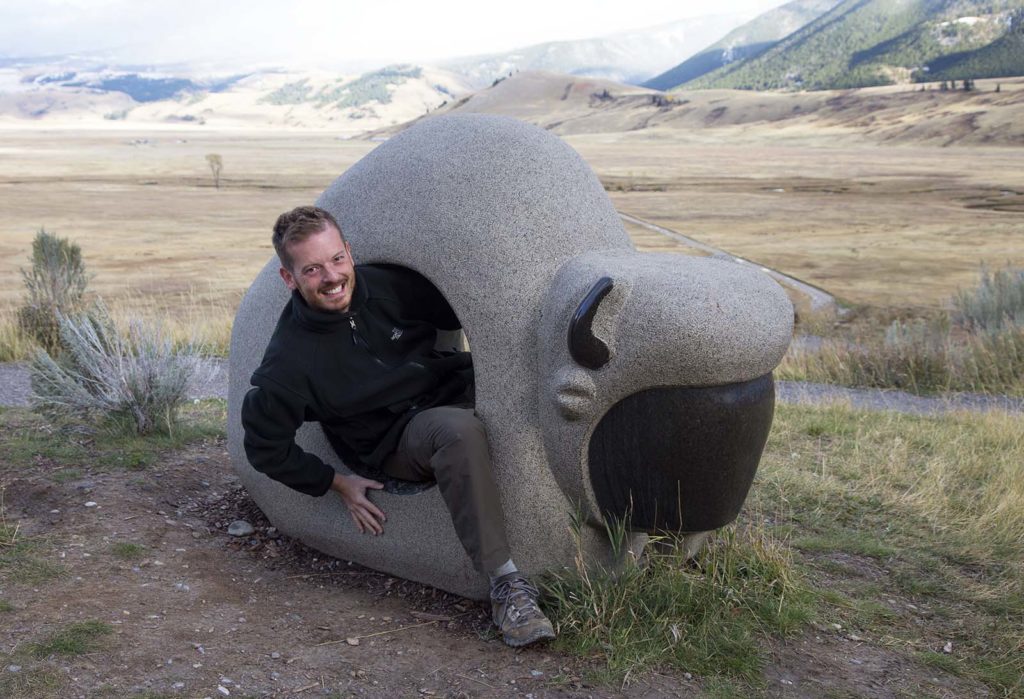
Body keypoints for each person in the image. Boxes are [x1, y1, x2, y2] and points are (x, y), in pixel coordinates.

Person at [240, 205, 556, 648]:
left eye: (336, 259)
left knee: (544, 384)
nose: (331, 277)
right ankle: (507, 586)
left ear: (349, 252)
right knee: (457, 432)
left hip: (449, 381)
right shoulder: (290, 362)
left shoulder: (387, 286)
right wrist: (334, 481)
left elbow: (459, 305)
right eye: (312, 269)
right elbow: (263, 446)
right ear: (289, 278)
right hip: (397, 438)